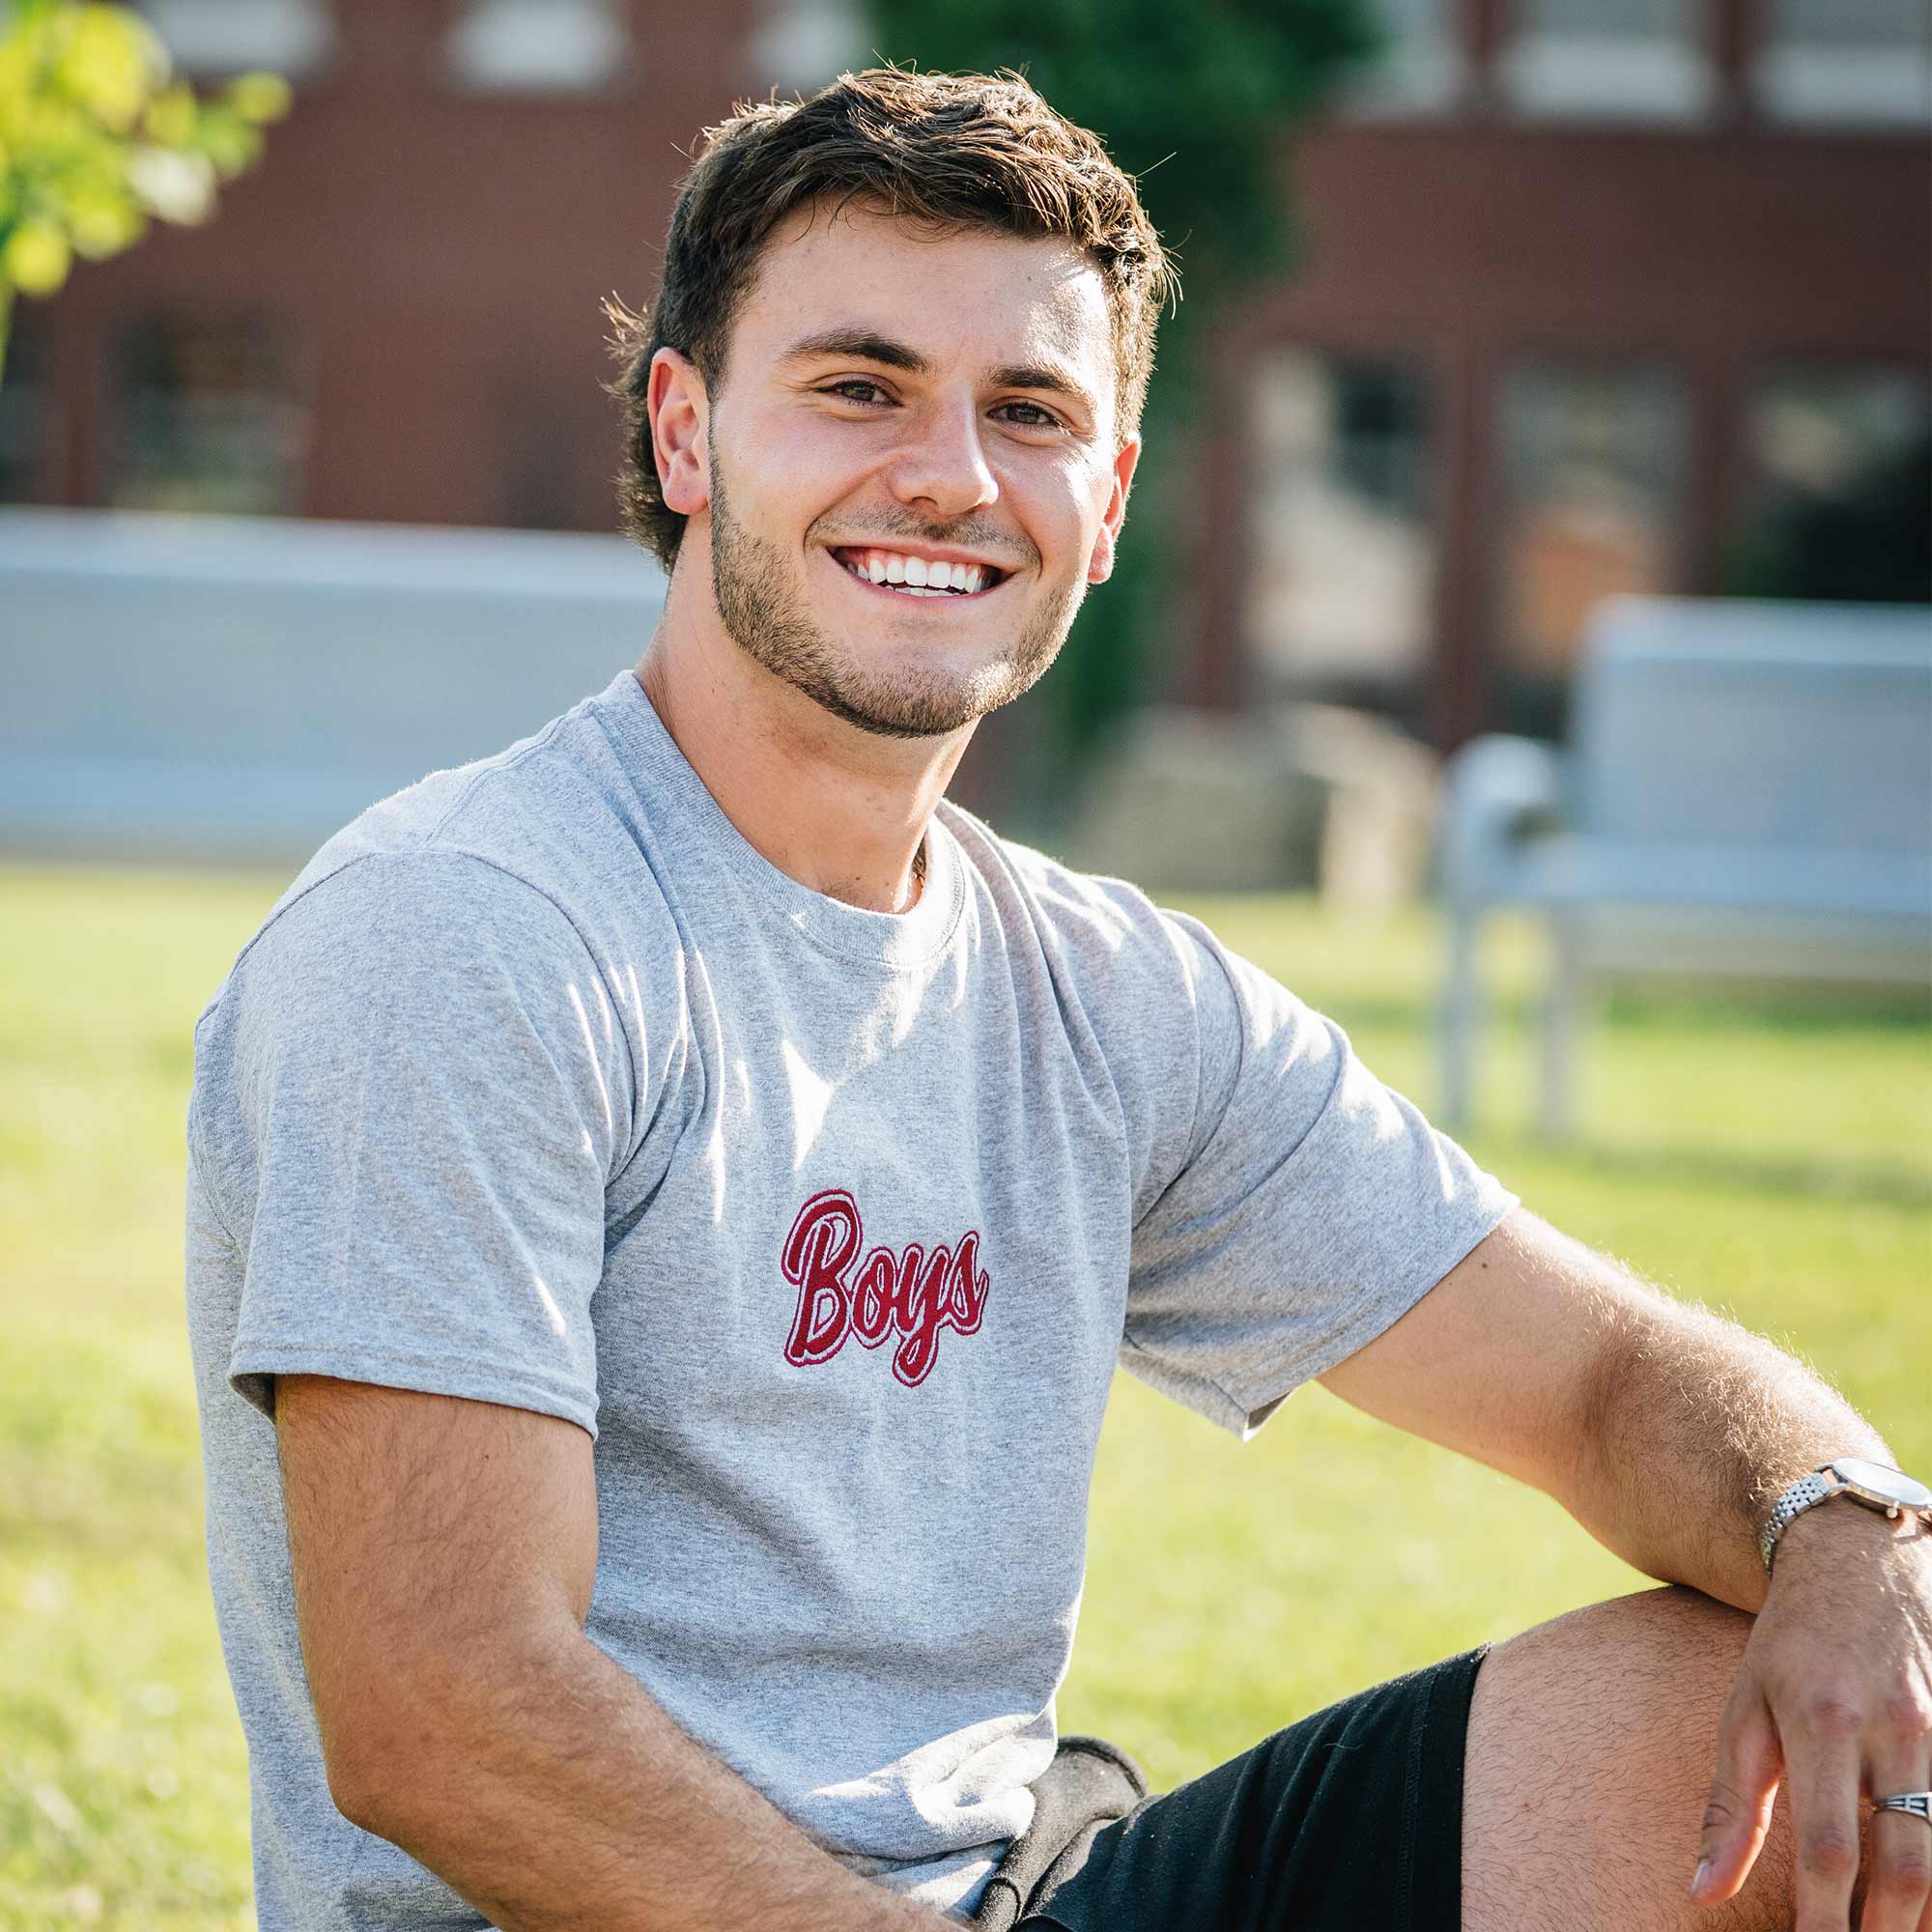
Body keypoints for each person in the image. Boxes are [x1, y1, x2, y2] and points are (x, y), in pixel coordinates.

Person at [184, 65, 1931, 1932]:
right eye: (859, 385)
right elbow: (446, 1714)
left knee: (1819, 1719)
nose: (948, 472)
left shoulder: (1106, 999)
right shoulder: (474, 935)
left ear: (1102, 505)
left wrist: (1841, 1527)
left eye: (1027, 412)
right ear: (685, 435)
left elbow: (1597, 1381)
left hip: (1010, 1900)